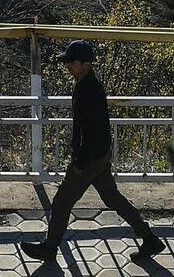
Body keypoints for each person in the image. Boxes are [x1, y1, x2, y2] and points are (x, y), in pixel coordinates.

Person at [22, 39, 165, 265]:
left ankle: (49, 248)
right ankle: (149, 238)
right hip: (98, 155)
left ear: (84, 64)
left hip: (88, 158)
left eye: (71, 62)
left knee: (61, 202)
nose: (67, 65)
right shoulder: (86, 84)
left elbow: (94, 129)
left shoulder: (89, 90)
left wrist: (80, 158)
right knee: (112, 198)